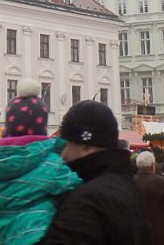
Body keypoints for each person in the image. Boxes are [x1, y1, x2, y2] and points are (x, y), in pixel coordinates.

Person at [0, 79, 82, 245]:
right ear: (42, 128)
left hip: (2, 238)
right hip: (39, 236)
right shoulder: (52, 165)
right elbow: (75, 188)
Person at [38, 100, 148, 244]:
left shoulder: (86, 202)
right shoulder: (128, 185)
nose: (63, 154)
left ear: (85, 144)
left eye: (66, 144)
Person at [134, 150, 164, 245]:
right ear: (152, 165)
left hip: (136, 233)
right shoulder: (162, 183)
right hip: (159, 233)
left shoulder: (129, 182)